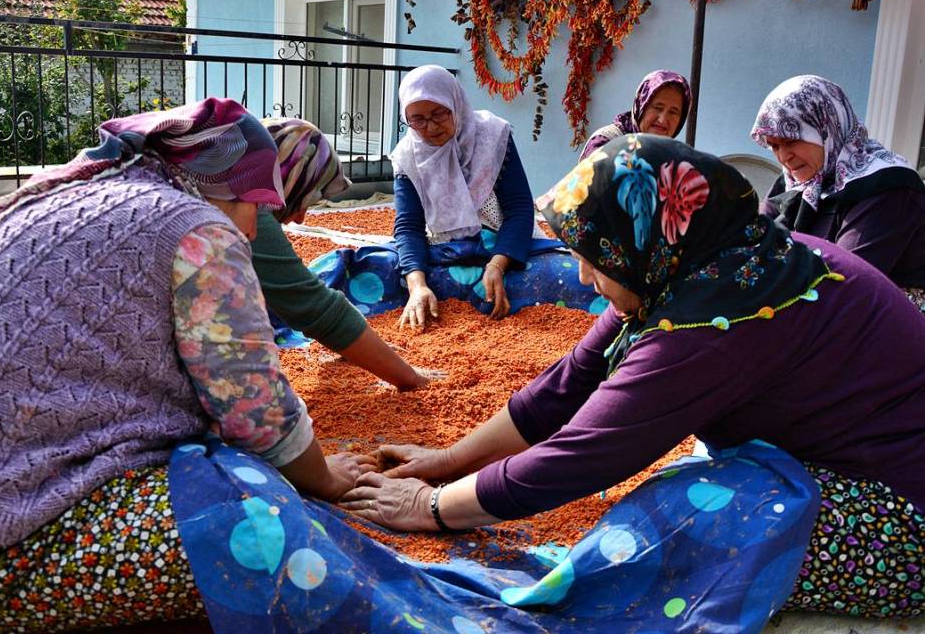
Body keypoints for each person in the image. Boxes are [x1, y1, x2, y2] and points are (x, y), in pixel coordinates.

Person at [343, 134, 925, 623]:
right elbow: (567, 387)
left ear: (642, 235)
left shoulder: (719, 317)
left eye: (593, 258)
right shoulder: (709, 259)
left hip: (901, 517)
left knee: (699, 514)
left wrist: (433, 507)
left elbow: (585, 454)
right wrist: (446, 463)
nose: (583, 276)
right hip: (842, 453)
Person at [0, 99, 376, 633]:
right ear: (229, 187)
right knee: (258, 518)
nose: (252, 230)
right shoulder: (201, 229)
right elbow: (250, 402)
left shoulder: (80, 189)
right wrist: (323, 480)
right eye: (257, 207)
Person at [254, 117, 428, 389]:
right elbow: (313, 307)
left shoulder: (219, 180)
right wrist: (412, 379)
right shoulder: (248, 210)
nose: (301, 219)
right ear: (287, 179)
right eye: (305, 199)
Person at [752, 74, 925, 312]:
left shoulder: (885, 185)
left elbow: (842, 281)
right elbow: (751, 242)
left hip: (889, 330)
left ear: (826, 128)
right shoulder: (795, 181)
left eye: (791, 141)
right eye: (774, 146)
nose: (783, 157)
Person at [392, 64, 538, 328]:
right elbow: (408, 228)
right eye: (417, 119)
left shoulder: (492, 136)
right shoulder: (406, 156)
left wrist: (498, 266)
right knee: (362, 268)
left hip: (500, 250)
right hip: (441, 254)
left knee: (568, 277)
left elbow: (519, 208)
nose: (430, 127)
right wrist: (417, 286)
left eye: (439, 113)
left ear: (455, 104)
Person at [579, 69, 692, 160]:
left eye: (673, 112)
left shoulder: (673, 159)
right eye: (658, 108)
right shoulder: (605, 142)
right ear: (641, 107)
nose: (662, 120)